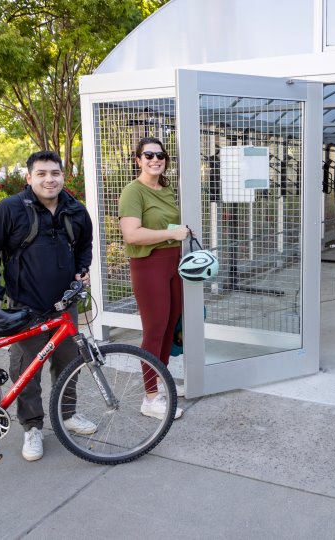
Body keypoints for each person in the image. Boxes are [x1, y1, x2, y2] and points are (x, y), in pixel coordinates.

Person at [0, 150, 95, 462]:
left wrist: (82, 272)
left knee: (70, 362)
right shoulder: (10, 209)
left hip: (65, 306)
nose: (49, 179)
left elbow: (85, 245)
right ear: (29, 178)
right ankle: (32, 426)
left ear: (62, 176)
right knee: (26, 370)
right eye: (41, 173)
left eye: (54, 173)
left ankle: (66, 413)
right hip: (24, 307)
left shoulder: (75, 210)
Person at [119, 137, 190, 420]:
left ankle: (160, 383)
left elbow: (171, 224)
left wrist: (180, 232)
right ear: (138, 160)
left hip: (174, 263)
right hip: (149, 264)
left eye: (160, 155)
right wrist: (171, 234)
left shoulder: (167, 189)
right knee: (154, 329)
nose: (155, 159)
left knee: (170, 325)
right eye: (148, 155)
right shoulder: (132, 192)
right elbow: (132, 234)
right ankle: (150, 397)